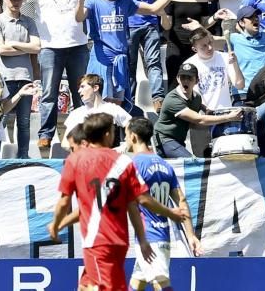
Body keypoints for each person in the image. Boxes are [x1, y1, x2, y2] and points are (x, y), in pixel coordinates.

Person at [47, 113, 187, 291]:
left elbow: (64, 201)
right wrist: (165, 218)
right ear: (107, 134)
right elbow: (136, 202)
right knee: (85, 286)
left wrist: (56, 223)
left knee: (103, 287)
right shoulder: (124, 162)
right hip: (119, 241)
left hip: (97, 240)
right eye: (114, 131)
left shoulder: (76, 160)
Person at [77, 0, 188, 107]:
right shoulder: (92, 2)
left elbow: (154, 8)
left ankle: (115, 130)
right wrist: (80, 0)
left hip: (120, 61)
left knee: (117, 104)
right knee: (99, 103)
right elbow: (79, 17)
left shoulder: (125, 2)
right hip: (101, 61)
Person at [23, 0, 97, 153]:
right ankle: (46, 134)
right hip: (49, 47)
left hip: (78, 46)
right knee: (48, 94)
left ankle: (83, 132)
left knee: (81, 92)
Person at [126, 117, 202, 290]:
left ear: (134, 137)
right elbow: (181, 200)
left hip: (150, 237)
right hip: (162, 234)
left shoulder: (135, 165)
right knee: (137, 282)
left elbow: (139, 199)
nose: (125, 139)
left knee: (160, 283)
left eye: (126, 135)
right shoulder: (165, 165)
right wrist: (190, 235)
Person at [0, 0, 41, 158]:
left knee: (24, 122)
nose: (16, 1)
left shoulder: (29, 21)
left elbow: (37, 48)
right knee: (0, 119)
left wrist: (14, 44)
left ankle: (23, 157)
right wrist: (27, 48)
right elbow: (1, 50)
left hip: (25, 77)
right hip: (4, 76)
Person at [153, 62, 243, 157]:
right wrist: (229, 117)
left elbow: (194, 122)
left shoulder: (197, 98)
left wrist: (206, 110)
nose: (186, 81)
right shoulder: (173, 99)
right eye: (183, 77)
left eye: (190, 78)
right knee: (191, 162)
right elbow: (199, 119)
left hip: (178, 141)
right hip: (164, 140)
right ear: (177, 79)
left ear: (197, 81)